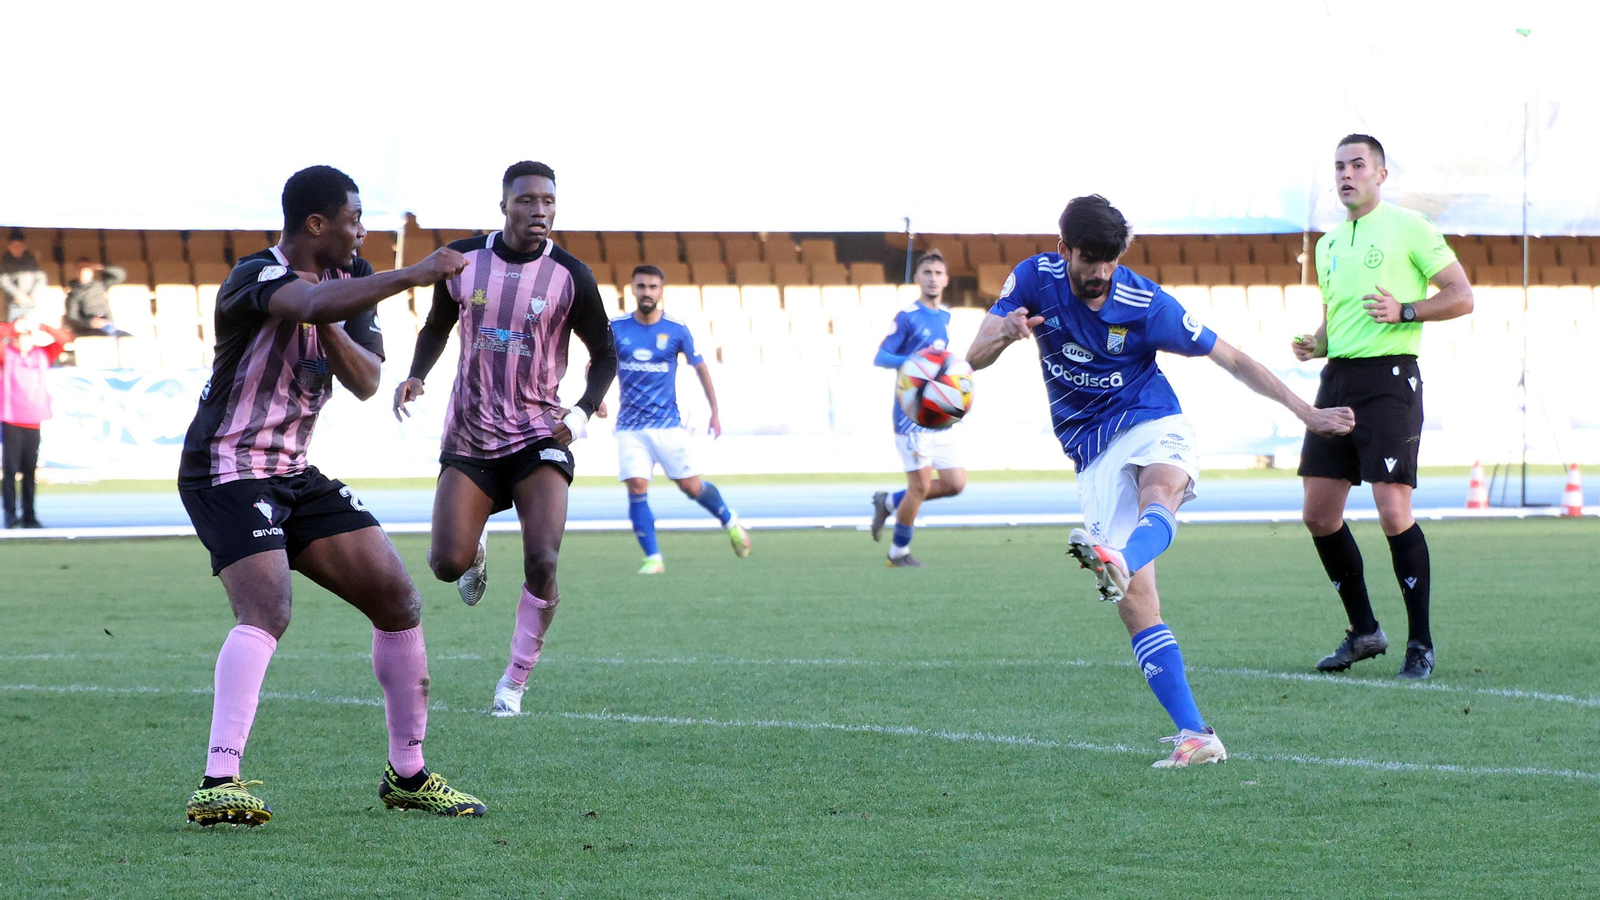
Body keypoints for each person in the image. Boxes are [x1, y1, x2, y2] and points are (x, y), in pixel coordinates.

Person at [967, 195, 1355, 768]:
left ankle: (1116, 558)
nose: (1100, 272)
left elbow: (1234, 358)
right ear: (1063, 249)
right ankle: (1197, 734)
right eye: (1089, 259)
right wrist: (1006, 332)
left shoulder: (1144, 302)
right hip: (1090, 449)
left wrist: (1309, 414)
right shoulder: (1031, 280)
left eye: (1110, 259)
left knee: (1162, 490)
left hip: (1152, 419)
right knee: (1138, 607)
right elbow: (974, 357)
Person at [178, 165, 484, 826]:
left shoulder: (352, 281)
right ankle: (217, 779)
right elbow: (307, 305)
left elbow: (369, 380)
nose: (362, 231)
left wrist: (336, 320)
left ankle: (408, 776)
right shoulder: (252, 277)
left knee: (398, 601)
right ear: (316, 224)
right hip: (226, 466)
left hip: (293, 470)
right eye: (353, 218)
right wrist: (412, 275)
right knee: (268, 608)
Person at [392, 160, 617, 717]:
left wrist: (584, 412)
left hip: (540, 431)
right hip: (470, 433)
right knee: (446, 563)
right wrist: (417, 373)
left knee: (542, 558)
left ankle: (513, 684)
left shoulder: (571, 275)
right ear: (504, 205)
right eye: (527, 200)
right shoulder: (463, 260)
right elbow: (437, 325)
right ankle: (475, 543)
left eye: (548, 201)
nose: (539, 210)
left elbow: (606, 354)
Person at [1292, 134, 1474, 681]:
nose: (1346, 174)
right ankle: (1365, 631)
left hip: (1391, 380)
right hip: (1338, 379)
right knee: (1319, 514)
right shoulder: (1326, 244)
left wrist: (1407, 310)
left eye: (1357, 165)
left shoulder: (1409, 228)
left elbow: (1462, 295)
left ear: (1380, 174)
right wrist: (1317, 343)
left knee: (1394, 512)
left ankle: (1420, 644)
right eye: (1340, 167)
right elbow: (1336, 317)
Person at [608, 264, 749, 574]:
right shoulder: (616, 327)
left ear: (661, 291)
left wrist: (715, 411)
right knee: (636, 486)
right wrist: (596, 400)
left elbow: (700, 368)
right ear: (632, 289)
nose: (647, 292)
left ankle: (729, 520)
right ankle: (653, 558)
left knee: (691, 487)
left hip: (666, 425)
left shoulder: (675, 329)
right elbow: (598, 363)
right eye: (641, 286)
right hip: (630, 426)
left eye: (653, 287)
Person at [867, 250, 966, 567]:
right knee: (920, 485)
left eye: (938, 272)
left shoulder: (946, 317)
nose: (933, 278)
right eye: (927, 272)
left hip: (939, 413)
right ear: (917, 278)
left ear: (946, 280)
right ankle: (898, 554)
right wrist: (914, 363)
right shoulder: (907, 316)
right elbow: (881, 357)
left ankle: (890, 501)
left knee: (954, 484)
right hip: (911, 414)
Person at [0, 316, 72, 527]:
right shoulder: (7, 356)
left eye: (27, 337)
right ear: (14, 339)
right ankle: (11, 514)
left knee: (30, 471)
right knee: (11, 470)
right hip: (12, 419)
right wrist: (13, 327)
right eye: (19, 337)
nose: (23, 341)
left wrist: (41, 326)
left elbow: (63, 339)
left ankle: (30, 515)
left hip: (33, 420)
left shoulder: (43, 354)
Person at [64, 258, 131, 336]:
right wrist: (90, 323)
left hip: (108, 324)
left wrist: (101, 267)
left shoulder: (100, 285)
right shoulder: (73, 293)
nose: (82, 272)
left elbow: (120, 275)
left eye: (86, 269)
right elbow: (72, 317)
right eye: (79, 269)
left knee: (128, 339)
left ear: (92, 271)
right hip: (90, 329)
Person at [1, 230, 48, 322]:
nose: (16, 248)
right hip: (14, 304)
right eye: (13, 246)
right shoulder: (5, 261)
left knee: (32, 331)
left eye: (19, 246)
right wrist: (19, 295)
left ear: (24, 246)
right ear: (9, 247)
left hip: (30, 304)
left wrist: (32, 295)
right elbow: (4, 280)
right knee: (11, 333)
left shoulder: (31, 261)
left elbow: (41, 278)